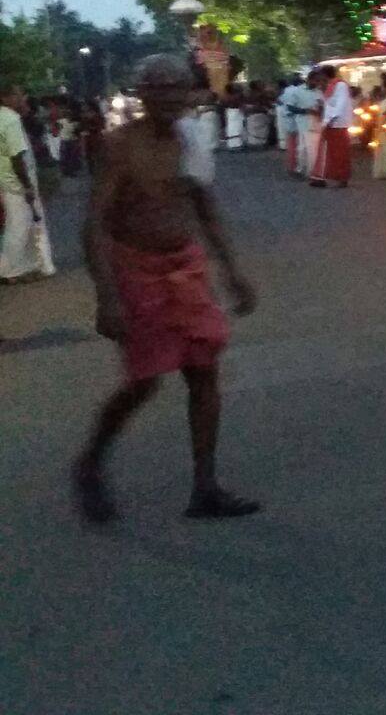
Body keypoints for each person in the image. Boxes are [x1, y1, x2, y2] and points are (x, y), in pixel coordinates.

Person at [72, 54, 260, 523]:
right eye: (157, 89)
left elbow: (204, 206)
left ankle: (205, 487)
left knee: (203, 372)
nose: (169, 97)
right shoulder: (118, 147)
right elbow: (94, 225)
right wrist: (107, 295)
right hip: (136, 271)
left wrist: (232, 270)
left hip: (186, 268)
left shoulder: (191, 141)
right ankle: (91, 462)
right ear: (140, 94)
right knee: (143, 382)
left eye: (177, 88)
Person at [1, 83, 56, 283]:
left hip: (6, 180)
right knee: (20, 226)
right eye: (18, 95)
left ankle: (32, 264)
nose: (22, 98)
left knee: (23, 224)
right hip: (18, 182)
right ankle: (10, 270)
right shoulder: (11, 120)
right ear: (5, 98)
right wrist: (27, 186)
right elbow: (17, 156)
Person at [308, 67, 354, 188]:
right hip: (330, 122)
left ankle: (341, 177)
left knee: (339, 152)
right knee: (325, 149)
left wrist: (331, 118)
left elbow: (341, 104)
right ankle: (321, 176)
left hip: (338, 123)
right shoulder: (329, 86)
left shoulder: (340, 86)